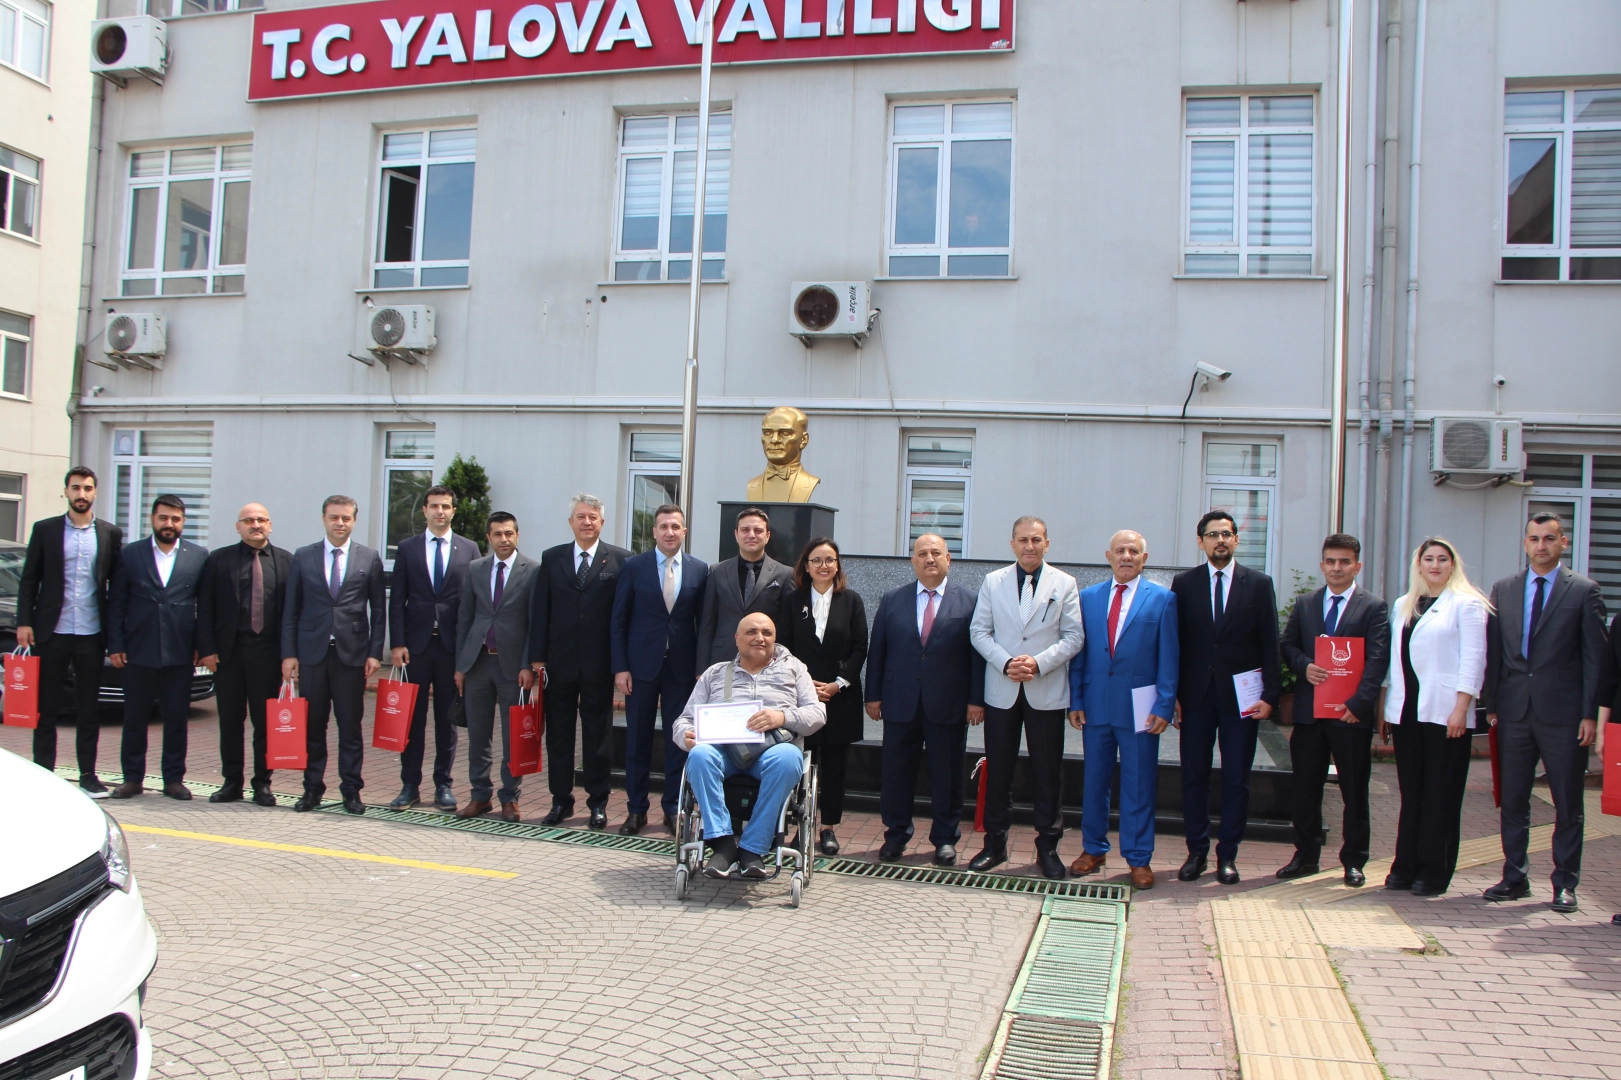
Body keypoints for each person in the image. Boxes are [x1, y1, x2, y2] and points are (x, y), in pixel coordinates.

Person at [1482, 513, 1607, 913]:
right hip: (1514, 711)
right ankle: (1514, 877)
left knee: (1568, 802)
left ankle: (1565, 883)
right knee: (1513, 799)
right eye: (1534, 538)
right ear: (1525, 543)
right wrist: (1492, 706)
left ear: (1563, 542)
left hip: (1565, 715)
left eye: (1549, 538)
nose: (1541, 546)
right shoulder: (1504, 589)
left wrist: (1590, 714)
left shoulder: (1584, 591)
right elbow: (1494, 651)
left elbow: (1595, 658)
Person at [969, 516, 1084, 879]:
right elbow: (979, 631)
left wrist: (1037, 663)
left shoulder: (1064, 583)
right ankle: (995, 844)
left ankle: (1047, 847)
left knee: (1047, 773)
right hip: (1002, 689)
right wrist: (1006, 663)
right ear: (1013, 544)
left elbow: (1074, 636)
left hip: (1045, 689)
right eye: (1023, 540)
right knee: (999, 770)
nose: (1029, 546)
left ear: (1047, 544)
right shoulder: (994, 581)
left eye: (1036, 540)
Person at [1170, 510, 1282, 885]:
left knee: (1237, 778)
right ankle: (1196, 852)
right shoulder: (1184, 584)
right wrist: (1173, 695)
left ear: (1236, 540)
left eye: (1226, 534)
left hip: (1242, 700)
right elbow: (1176, 643)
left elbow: (1270, 642)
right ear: (1200, 541)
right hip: (1196, 698)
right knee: (1194, 777)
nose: (1220, 540)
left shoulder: (1259, 584)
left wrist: (1271, 695)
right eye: (1212, 534)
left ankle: (1228, 856)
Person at [674, 613, 825, 879]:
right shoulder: (715, 673)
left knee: (789, 758)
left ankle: (752, 848)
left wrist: (782, 717)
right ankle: (722, 843)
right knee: (699, 754)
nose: (760, 638)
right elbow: (684, 719)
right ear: (737, 638)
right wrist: (684, 735)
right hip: (724, 752)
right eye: (751, 632)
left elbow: (817, 714)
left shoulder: (794, 669)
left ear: (775, 638)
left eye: (767, 633)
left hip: (772, 752)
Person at [1067, 530, 1179, 891]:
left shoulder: (1162, 599)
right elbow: (1079, 654)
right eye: (1120, 550)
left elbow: (1169, 657)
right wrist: (1076, 700)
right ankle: (1093, 849)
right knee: (1094, 782)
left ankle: (1138, 857)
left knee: (1139, 784)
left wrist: (1164, 704)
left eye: (1133, 551)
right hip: (1096, 705)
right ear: (1109, 556)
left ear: (1144, 558)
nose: (1126, 556)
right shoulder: (1088, 598)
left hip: (1141, 708)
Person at [1277, 533, 1391, 887]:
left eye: (1344, 562)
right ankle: (1305, 856)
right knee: (1305, 789)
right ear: (1322, 565)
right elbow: (1287, 645)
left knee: (1354, 792)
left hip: (1349, 716)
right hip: (1310, 715)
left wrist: (1359, 704)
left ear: (1357, 566)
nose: (1337, 568)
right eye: (1331, 561)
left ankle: (1354, 861)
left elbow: (1377, 659)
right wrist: (1304, 666)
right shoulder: (1306, 603)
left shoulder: (1373, 607)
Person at [866, 534, 984, 867]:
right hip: (899, 700)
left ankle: (945, 839)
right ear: (913, 561)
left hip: (949, 703)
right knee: (896, 773)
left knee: (947, 775)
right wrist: (872, 695)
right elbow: (878, 650)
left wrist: (976, 699)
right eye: (922, 554)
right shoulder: (892, 599)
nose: (929, 559)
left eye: (935, 553)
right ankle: (896, 836)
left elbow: (977, 656)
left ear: (948, 558)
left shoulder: (970, 601)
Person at [1381, 537, 1489, 896]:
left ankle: (1433, 871)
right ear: (1419, 564)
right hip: (1407, 711)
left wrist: (1461, 708)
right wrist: (1386, 707)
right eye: (1429, 559)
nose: (1435, 565)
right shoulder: (1404, 604)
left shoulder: (1467, 604)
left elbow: (1474, 659)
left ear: (1453, 565)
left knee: (1440, 795)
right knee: (1412, 793)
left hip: (1446, 713)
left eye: (1443, 559)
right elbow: (1395, 660)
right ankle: (1405, 866)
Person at [15, 466, 122, 796]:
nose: (81, 494)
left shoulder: (109, 533)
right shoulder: (45, 530)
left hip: (91, 632)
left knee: (88, 708)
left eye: (87, 488)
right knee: (46, 708)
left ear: (95, 493)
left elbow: (116, 586)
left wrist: (116, 634)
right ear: (66, 491)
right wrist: (24, 622)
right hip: (52, 631)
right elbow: (30, 578)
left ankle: (88, 775)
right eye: (75, 488)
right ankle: (43, 774)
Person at [526, 494, 630, 829]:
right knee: (558, 735)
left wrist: (621, 663)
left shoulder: (620, 560)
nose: (587, 522)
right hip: (559, 663)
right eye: (581, 516)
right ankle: (561, 801)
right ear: (571, 522)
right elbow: (540, 610)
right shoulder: (552, 558)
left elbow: (623, 616)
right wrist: (537, 658)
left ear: (602, 522)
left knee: (598, 736)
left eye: (593, 517)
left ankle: (598, 802)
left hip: (599, 664)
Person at [282, 496, 386, 814]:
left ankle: (351, 791)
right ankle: (312, 789)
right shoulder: (303, 556)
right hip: (312, 654)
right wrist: (289, 653)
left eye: (346, 518)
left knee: (350, 728)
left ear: (354, 520)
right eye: (334, 517)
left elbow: (378, 610)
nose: (340, 523)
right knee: (313, 727)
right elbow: (291, 609)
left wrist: (374, 652)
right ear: (324, 519)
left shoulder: (369, 557)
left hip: (351, 656)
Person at [609, 504, 708, 836]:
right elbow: (618, 621)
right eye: (663, 526)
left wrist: (700, 669)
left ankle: (673, 808)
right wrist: (620, 667)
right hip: (640, 668)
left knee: (678, 740)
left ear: (684, 531)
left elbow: (702, 623)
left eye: (675, 526)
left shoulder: (699, 570)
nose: (669, 532)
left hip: (681, 669)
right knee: (637, 739)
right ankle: (636, 810)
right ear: (654, 531)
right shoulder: (633, 566)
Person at [107, 494, 209, 800]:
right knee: (135, 719)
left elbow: (205, 607)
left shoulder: (198, 556)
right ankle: (132, 779)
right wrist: (115, 643)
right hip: (138, 649)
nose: (169, 524)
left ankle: (174, 779)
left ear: (183, 522)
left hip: (180, 650)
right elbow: (116, 602)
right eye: (163, 518)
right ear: (152, 519)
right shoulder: (130, 554)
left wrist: (201, 646)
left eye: (175, 519)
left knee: (176, 719)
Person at [386, 485, 479, 812]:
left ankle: (443, 785)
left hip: (451, 648)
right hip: (415, 648)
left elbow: (474, 602)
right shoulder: (407, 548)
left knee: (446, 719)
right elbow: (397, 599)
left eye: (446, 506)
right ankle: (409, 785)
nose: (440, 511)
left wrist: (468, 653)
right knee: (411, 719)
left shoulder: (469, 549)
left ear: (453, 511)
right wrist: (397, 643)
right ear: (424, 510)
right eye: (434, 506)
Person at [196, 503, 291, 807]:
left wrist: (290, 655)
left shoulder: (287, 562)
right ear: (238, 527)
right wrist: (207, 649)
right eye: (248, 520)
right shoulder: (218, 560)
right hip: (229, 653)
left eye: (261, 519)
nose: (255, 525)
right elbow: (205, 607)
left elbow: (293, 612)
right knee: (230, 721)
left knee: (265, 723)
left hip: (268, 653)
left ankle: (263, 784)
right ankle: (231, 782)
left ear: (270, 525)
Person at [776, 538, 867, 856]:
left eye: (830, 560)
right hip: (803, 696)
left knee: (835, 766)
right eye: (816, 560)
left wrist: (838, 683)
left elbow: (860, 647)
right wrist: (805, 686)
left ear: (837, 564)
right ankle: (800, 826)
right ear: (806, 565)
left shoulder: (851, 600)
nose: (823, 565)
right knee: (801, 763)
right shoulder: (793, 600)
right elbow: (783, 647)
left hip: (840, 696)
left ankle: (827, 827)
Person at [454, 512, 539, 821]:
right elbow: (465, 616)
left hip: (514, 668)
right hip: (477, 663)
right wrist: (460, 666)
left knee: (513, 736)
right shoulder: (476, 568)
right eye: (497, 534)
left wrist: (528, 664)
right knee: (478, 735)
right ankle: (480, 796)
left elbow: (534, 623)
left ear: (517, 535)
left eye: (508, 533)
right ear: (488, 538)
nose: (503, 539)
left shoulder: (533, 570)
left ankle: (510, 798)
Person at [695, 507, 793, 670]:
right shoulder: (717, 572)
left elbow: (787, 627)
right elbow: (707, 624)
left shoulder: (785, 574)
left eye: (758, 530)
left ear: (767, 536)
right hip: (722, 660)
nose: (751, 535)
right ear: (736, 534)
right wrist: (701, 668)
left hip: (767, 663)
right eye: (745, 530)